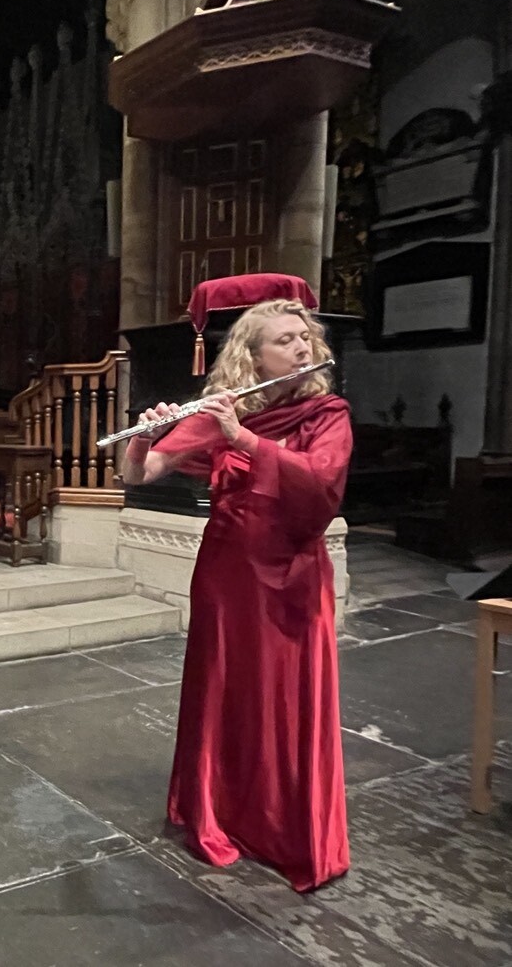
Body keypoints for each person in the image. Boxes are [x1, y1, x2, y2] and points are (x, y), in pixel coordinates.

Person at [121, 285, 353, 892]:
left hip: (293, 578)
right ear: (254, 355)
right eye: (286, 340)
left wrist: (245, 440)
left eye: (306, 337)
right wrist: (146, 434)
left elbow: (322, 486)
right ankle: (218, 810)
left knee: (284, 698)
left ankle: (282, 827)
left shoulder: (327, 416)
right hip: (228, 575)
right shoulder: (227, 406)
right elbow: (140, 474)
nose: (303, 347)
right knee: (227, 691)